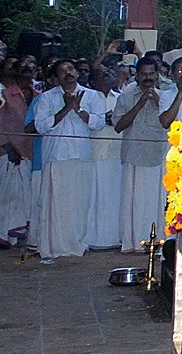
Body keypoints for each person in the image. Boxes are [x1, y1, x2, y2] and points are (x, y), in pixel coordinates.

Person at [27, 59, 103, 262]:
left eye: (70, 69)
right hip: (56, 157)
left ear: (77, 72)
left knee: (79, 204)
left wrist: (78, 109)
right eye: (62, 71)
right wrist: (66, 109)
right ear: (55, 77)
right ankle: (53, 246)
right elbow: (41, 126)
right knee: (55, 205)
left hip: (81, 157)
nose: (68, 73)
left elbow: (98, 123)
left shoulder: (92, 95)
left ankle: (76, 244)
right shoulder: (46, 98)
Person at [115, 58, 180, 248]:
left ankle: (160, 242)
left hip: (160, 155)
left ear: (158, 74)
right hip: (134, 155)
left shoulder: (168, 94)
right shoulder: (127, 95)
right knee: (134, 202)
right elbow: (119, 126)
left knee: (158, 202)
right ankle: (134, 243)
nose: (148, 78)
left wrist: (157, 100)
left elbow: (172, 119)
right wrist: (140, 103)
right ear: (137, 75)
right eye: (144, 74)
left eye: (151, 74)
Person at [86, 63, 124, 249]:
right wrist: (102, 118)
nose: (109, 76)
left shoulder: (120, 97)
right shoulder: (88, 97)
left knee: (114, 196)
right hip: (96, 151)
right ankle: (93, 238)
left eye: (110, 73)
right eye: (103, 74)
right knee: (96, 195)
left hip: (116, 151)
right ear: (93, 81)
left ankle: (113, 237)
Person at [0, 61, 33, 246]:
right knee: (6, 197)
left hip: (28, 154)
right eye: (23, 68)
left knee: (20, 198)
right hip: (7, 153)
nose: (28, 71)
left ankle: (11, 238)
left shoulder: (37, 95)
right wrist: (6, 146)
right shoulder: (4, 94)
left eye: (31, 68)